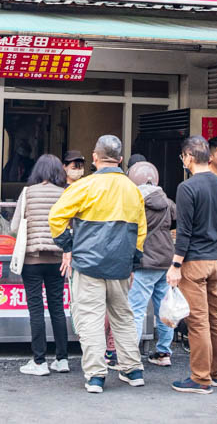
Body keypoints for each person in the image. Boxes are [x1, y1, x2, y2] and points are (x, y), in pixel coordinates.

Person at [48, 135, 147, 394]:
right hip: (121, 266)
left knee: (91, 319)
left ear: (94, 157)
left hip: (88, 264)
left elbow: (57, 216)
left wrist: (68, 244)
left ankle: (95, 377)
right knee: (123, 317)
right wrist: (133, 262)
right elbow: (140, 231)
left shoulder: (84, 186)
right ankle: (133, 370)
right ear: (121, 159)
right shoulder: (132, 190)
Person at [167, 136, 217, 394]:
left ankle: (200, 378)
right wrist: (215, 241)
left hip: (194, 261)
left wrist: (176, 264)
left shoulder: (187, 188)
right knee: (216, 318)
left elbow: (183, 232)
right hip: (215, 260)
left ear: (187, 157)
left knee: (197, 321)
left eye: (182, 157)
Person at [13, 154, 71, 376]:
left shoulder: (28, 192)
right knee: (57, 307)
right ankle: (62, 359)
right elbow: (71, 224)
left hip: (32, 259)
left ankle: (39, 362)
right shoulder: (65, 193)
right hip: (58, 260)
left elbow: (14, 225)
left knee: (36, 308)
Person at [127, 159, 177, 367]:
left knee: (136, 309)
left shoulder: (134, 202)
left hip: (145, 261)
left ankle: (131, 356)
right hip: (166, 260)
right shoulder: (168, 203)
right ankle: (164, 353)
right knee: (164, 309)